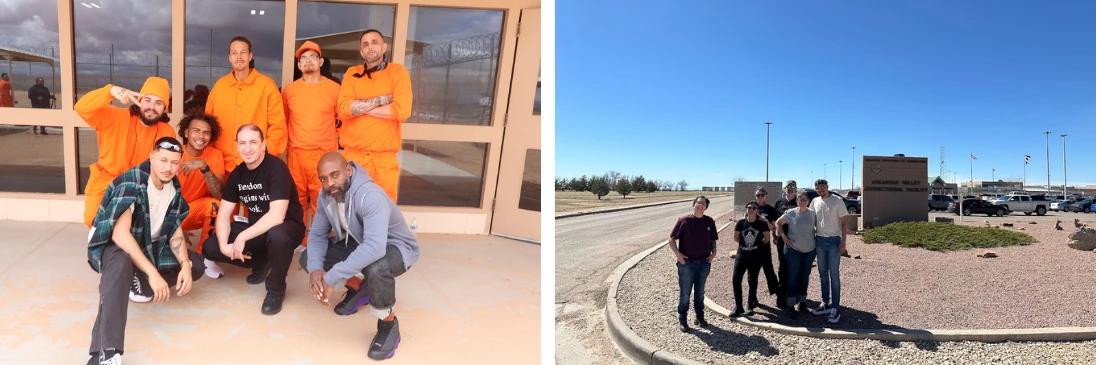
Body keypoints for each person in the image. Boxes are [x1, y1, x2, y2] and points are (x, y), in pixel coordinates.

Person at [85, 137, 206, 365]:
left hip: (148, 244)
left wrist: (186, 265)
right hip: (113, 243)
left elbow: (174, 229)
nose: (168, 168)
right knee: (120, 264)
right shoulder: (132, 183)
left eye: (174, 162)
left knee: (196, 265)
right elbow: (120, 235)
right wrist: (153, 273)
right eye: (162, 160)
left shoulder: (172, 186)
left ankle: (137, 278)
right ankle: (105, 353)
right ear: (151, 158)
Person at [299, 152, 420, 360]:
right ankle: (359, 287)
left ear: (347, 171)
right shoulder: (326, 195)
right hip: (360, 242)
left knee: (377, 269)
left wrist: (332, 277)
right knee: (309, 257)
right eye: (324, 178)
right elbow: (318, 234)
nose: (330, 183)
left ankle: (388, 324)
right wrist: (316, 270)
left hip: (395, 248)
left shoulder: (369, 195)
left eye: (335, 175)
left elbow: (375, 247)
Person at [201, 124, 306, 315]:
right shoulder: (237, 174)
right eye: (242, 143)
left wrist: (241, 238)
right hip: (257, 228)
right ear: (237, 145)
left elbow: (277, 216)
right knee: (211, 247)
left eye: (252, 142)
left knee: (277, 235)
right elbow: (224, 214)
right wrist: (225, 245)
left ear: (263, 145)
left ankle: (275, 289)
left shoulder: (276, 168)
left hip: (287, 228)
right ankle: (261, 257)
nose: (247, 148)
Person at [77, 77, 178, 228]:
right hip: (106, 180)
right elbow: (82, 108)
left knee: (137, 224)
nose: (151, 106)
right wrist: (110, 90)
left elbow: (164, 166)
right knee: (93, 218)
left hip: (140, 185)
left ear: (165, 108)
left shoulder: (166, 131)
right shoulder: (114, 116)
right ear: (139, 100)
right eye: (147, 100)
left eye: (158, 103)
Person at [337, 29, 413, 202]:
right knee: (351, 211)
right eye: (365, 44)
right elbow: (343, 109)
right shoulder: (352, 73)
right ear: (361, 52)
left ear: (384, 47)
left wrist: (360, 107)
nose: (370, 46)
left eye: (374, 42)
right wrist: (380, 100)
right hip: (353, 158)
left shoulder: (397, 72)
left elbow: (402, 110)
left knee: (382, 213)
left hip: (383, 161)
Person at [205, 36, 287, 174]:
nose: (239, 56)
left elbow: (278, 127)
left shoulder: (267, 85)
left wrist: (263, 155)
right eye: (234, 53)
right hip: (223, 166)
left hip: (257, 165)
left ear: (250, 56)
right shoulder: (220, 86)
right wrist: (212, 157)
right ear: (229, 57)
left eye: (243, 52)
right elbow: (208, 125)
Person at [283, 41, 341, 225]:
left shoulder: (335, 89)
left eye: (313, 57)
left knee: (322, 199)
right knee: (297, 199)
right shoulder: (290, 90)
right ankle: (299, 239)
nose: (308, 62)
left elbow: (342, 121)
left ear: (321, 62)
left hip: (323, 154)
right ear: (299, 65)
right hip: (296, 154)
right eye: (303, 59)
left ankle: (319, 239)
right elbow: (284, 119)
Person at [175, 112, 228, 278]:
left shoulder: (214, 155)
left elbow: (219, 194)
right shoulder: (175, 154)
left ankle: (204, 257)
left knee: (215, 205)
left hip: (193, 211)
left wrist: (204, 167)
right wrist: (176, 226)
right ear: (186, 133)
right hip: (170, 214)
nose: (201, 136)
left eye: (206, 132)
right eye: (196, 130)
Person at [667, 196, 718, 332]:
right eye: (698, 203)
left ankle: (699, 317)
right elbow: (671, 239)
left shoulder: (709, 221)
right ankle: (682, 319)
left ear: (706, 207)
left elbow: (713, 239)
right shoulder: (684, 220)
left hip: (704, 263)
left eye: (703, 204)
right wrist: (678, 255)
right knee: (685, 293)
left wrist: (714, 253)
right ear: (693, 205)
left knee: (700, 292)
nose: (700, 205)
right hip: (687, 263)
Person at [808, 179, 849, 324]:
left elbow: (844, 222)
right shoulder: (814, 202)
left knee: (834, 274)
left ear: (827, 187)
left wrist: (843, 242)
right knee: (822, 273)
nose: (820, 189)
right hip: (819, 240)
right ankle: (825, 302)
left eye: (823, 187)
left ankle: (835, 307)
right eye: (818, 187)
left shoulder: (837, 201)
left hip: (833, 241)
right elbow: (810, 220)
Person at [774, 191, 817, 319]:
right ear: (797, 201)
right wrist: (783, 236)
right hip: (794, 250)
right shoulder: (791, 213)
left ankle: (802, 302)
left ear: (808, 201)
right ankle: (791, 304)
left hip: (809, 250)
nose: (802, 201)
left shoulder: (813, 214)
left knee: (805, 276)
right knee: (792, 277)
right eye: (800, 199)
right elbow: (778, 223)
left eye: (805, 199)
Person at [729, 201, 772, 317]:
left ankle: (749, 305)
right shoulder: (740, 223)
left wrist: (757, 246)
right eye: (749, 207)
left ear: (757, 210)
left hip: (755, 255)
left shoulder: (761, 223)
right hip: (742, 255)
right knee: (736, 279)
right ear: (746, 209)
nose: (751, 209)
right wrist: (746, 246)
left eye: (754, 208)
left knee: (752, 280)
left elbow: (767, 238)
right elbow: (736, 238)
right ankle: (738, 306)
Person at [753, 186, 782, 307]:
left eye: (762, 195)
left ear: (766, 195)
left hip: (764, 242)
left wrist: (765, 220)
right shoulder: (751, 207)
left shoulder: (770, 209)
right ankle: (752, 297)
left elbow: (772, 227)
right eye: (758, 195)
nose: (760, 197)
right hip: (752, 243)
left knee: (768, 269)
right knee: (753, 272)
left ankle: (778, 295)